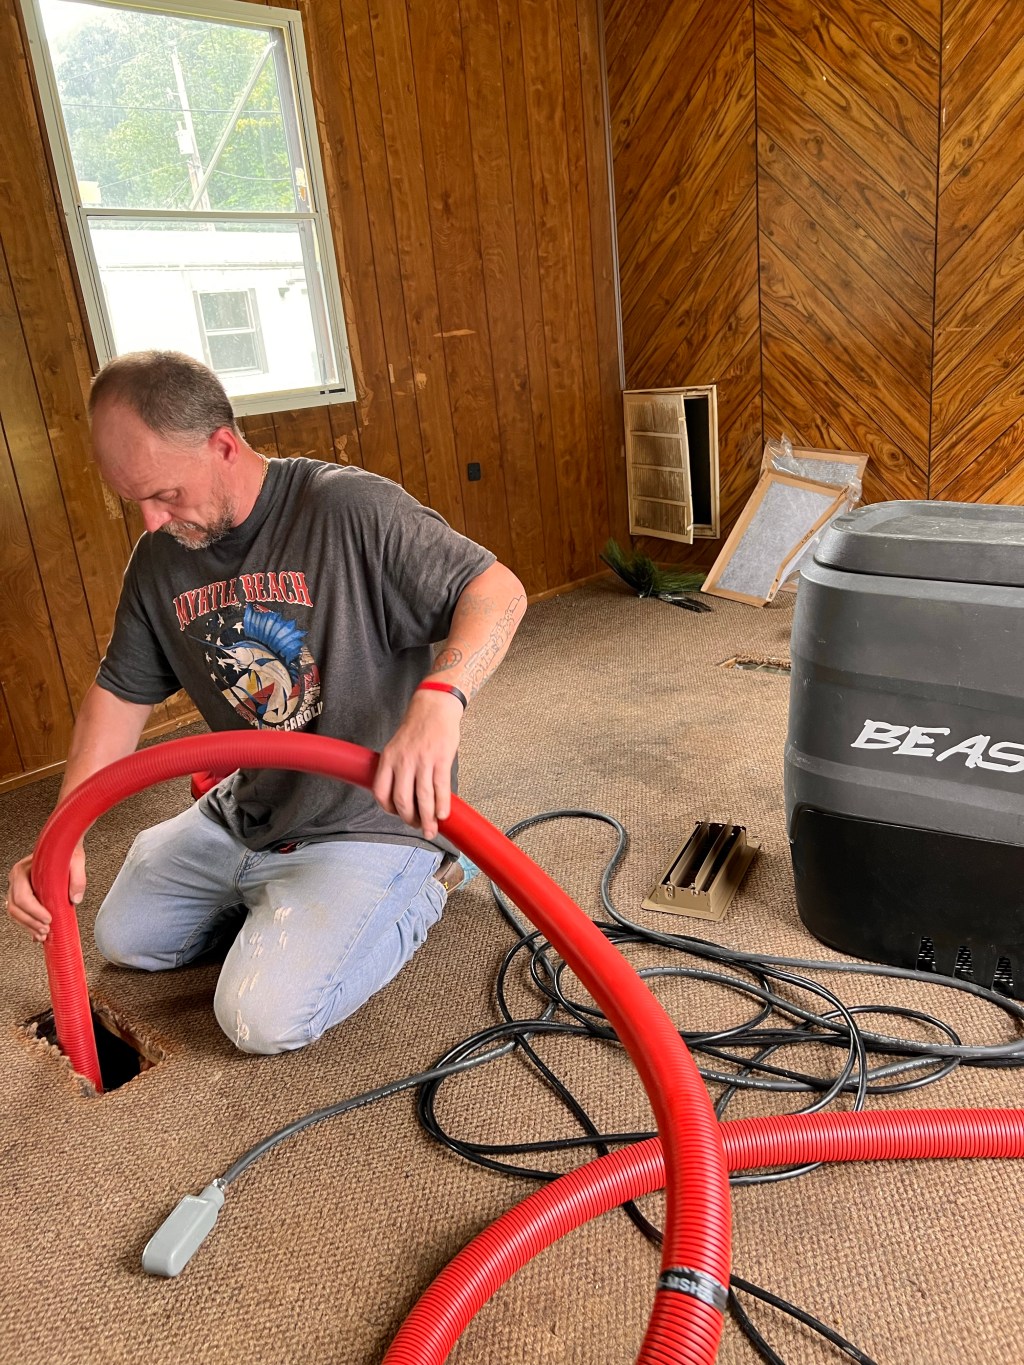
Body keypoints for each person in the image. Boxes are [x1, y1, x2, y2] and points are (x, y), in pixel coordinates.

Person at [5, 351, 526, 1055]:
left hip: (365, 816)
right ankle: (280, 908)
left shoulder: (347, 508)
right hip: (251, 806)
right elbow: (118, 696)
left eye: (166, 493)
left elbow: (498, 591)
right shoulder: (161, 556)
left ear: (223, 444)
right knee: (124, 938)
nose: (154, 520)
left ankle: (429, 879)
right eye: (137, 501)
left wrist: (441, 698)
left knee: (261, 1019)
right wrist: (61, 833)